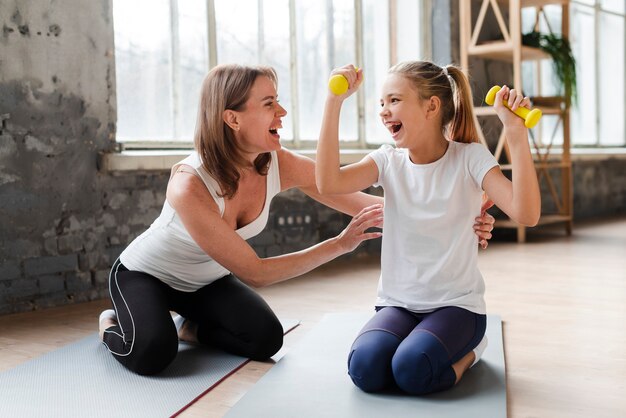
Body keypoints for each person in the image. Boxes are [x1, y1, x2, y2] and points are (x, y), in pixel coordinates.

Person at [99, 64, 497, 376]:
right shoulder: (189, 185)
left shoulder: (276, 162)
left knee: (265, 338)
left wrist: (457, 219)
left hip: (205, 281)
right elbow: (255, 272)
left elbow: (351, 196)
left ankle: (191, 326)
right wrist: (339, 245)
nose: (282, 111)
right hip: (145, 274)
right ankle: (111, 324)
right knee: (154, 353)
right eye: (269, 103)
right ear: (232, 119)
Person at [315, 61, 540, 395]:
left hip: (457, 307)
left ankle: (473, 352)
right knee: (364, 369)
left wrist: (516, 133)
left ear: (431, 106)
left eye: (393, 100)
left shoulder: (470, 159)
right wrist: (334, 102)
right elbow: (329, 182)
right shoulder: (387, 161)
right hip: (397, 304)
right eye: (381, 103)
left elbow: (526, 214)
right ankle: (419, 344)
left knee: (412, 371)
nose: (384, 111)